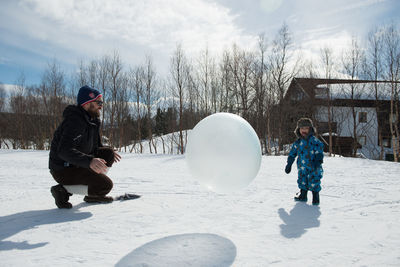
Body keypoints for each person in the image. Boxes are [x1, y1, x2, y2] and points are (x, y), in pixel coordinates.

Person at [49, 85, 121, 209]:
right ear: (86, 104)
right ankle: (63, 190)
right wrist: (89, 161)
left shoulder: (93, 121)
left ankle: (93, 190)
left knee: (108, 153)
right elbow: (63, 151)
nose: (101, 105)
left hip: (79, 163)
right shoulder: (74, 121)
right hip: (63, 169)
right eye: (98, 102)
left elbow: (96, 147)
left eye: (101, 102)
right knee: (105, 185)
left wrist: (108, 152)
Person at [284, 118, 324, 205]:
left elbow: (319, 152)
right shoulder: (298, 143)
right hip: (302, 168)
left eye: (306, 128)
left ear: (310, 129)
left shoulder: (315, 141)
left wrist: (318, 162)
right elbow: (292, 154)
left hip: (314, 167)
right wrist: (289, 164)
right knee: (302, 181)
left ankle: (315, 198)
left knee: (314, 182)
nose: (304, 130)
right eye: (302, 129)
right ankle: (303, 196)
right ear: (298, 130)